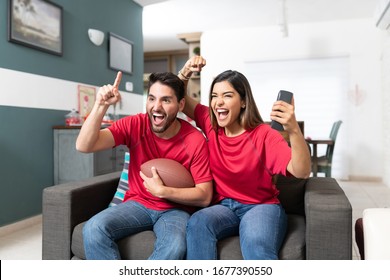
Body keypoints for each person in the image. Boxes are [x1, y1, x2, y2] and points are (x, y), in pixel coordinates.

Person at [178, 56, 311, 260]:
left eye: (227, 95)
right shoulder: (210, 124)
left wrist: (293, 129)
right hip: (223, 207)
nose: (218, 102)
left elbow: (301, 171)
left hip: (261, 206)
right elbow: (181, 99)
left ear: (242, 102)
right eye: (214, 96)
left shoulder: (263, 135)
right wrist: (185, 72)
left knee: (256, 244)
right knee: (197, 223)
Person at [76, 71, 213, 260]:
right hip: (137, 204)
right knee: (93, 228)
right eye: (151, 99)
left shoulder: (195, 140)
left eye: (166, 100)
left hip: (176, 211)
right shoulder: (135, 124)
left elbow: (205, 196)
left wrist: (163, 191)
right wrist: (101, 105)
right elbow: (84, 145)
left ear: (181, 105)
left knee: (175, 246)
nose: (156, 107)